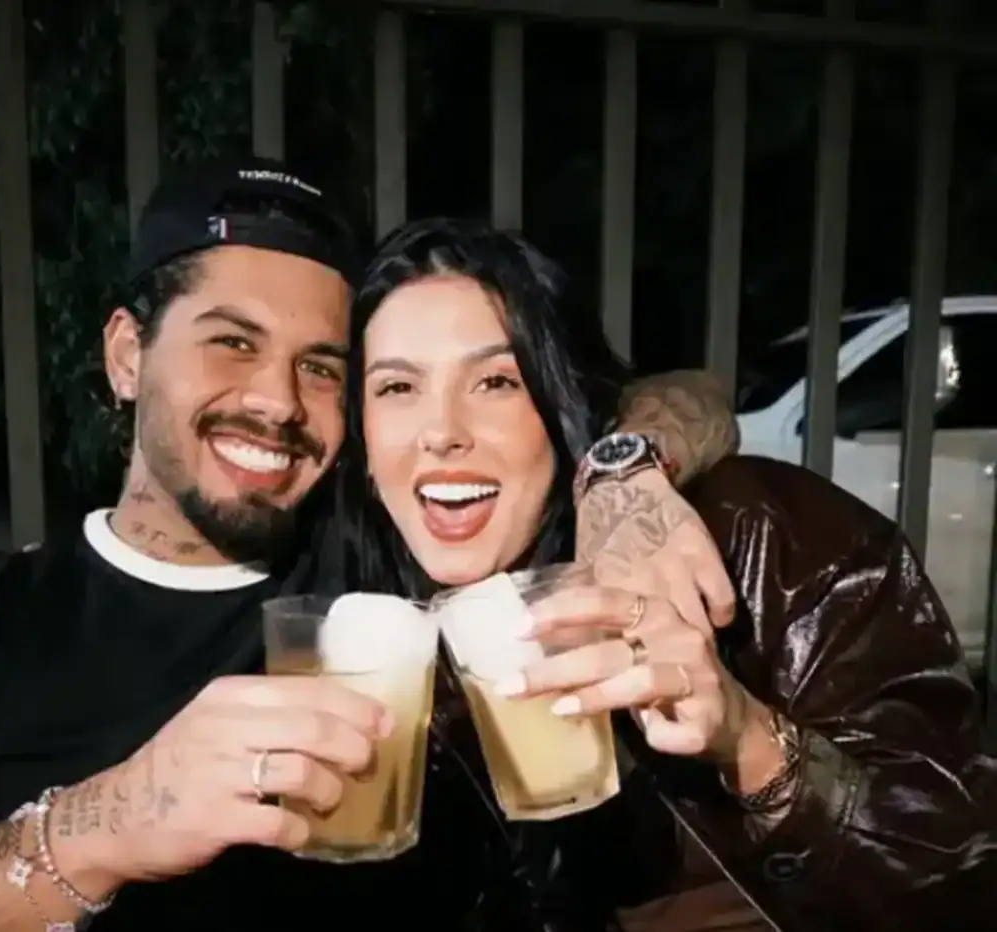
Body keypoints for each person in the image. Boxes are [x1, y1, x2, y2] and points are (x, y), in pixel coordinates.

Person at [0, 160, 740, 932]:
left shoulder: (377, 578)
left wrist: (622, 474)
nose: (278, 401)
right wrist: (107, 823)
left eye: (319, 368)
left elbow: (688, 394)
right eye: (233, 342)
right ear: (127, 355)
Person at [337, 217, 997, 931]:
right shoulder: (363, 617)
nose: (441, 431)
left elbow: (962, 882)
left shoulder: (760, 542)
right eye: (398, 387)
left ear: (563, 404)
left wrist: (748, 743)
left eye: (497, 380)